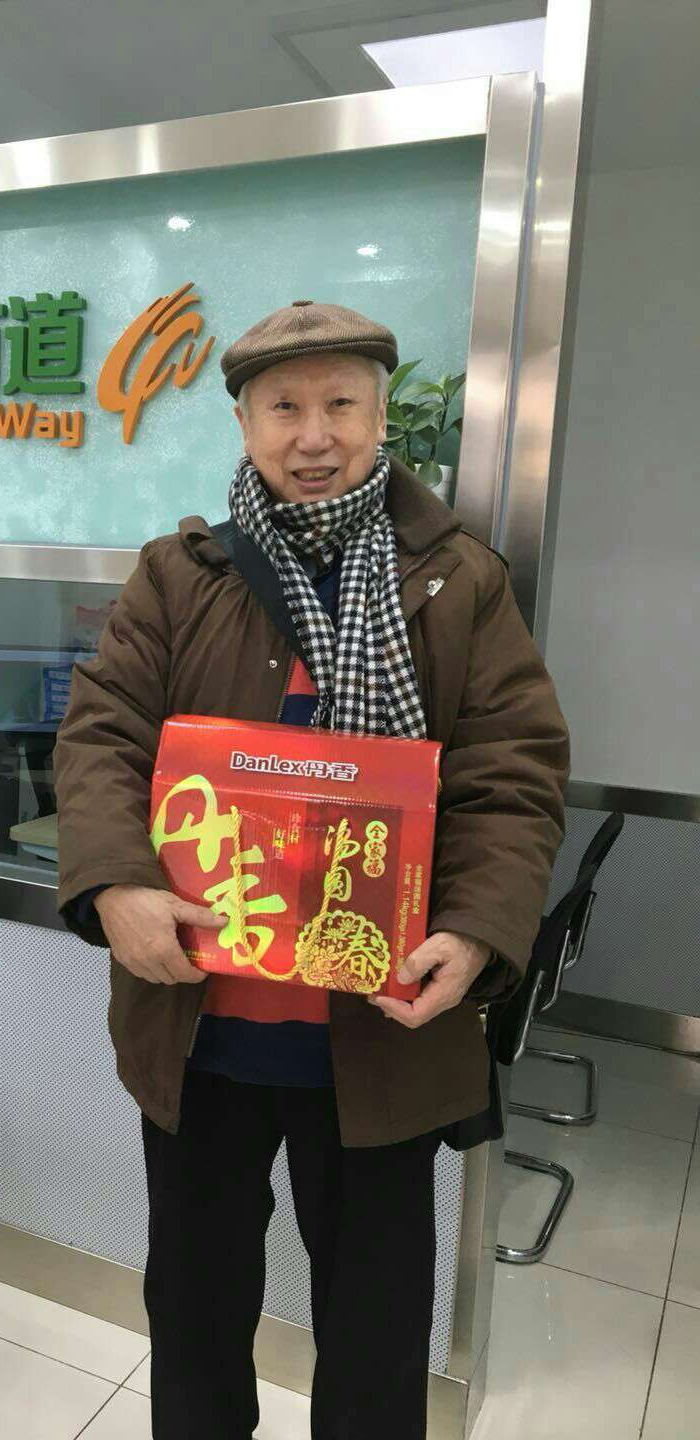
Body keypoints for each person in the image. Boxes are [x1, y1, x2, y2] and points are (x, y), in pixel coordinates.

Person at [54, 300, 570, 1439]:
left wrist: (478, 930)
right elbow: (100, 739)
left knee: (376, 1340)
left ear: (381, 418)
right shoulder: (179, 577)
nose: (314, 434)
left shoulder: (457, 581)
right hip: (202, 1027)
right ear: (245, 426)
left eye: (341, 403)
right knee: (194, 1315)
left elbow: (514, 775)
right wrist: (115, 884)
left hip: (381, 1033)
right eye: (284, 407)